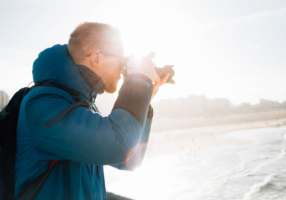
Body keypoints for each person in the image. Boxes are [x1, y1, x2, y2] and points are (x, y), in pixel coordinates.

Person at [14, 22, 170, 200]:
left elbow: (130, 159)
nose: (123, 70)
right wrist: (138, 81)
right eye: (121, 61)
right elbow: (119, 144)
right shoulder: (43, 104)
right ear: (97, 58)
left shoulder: (83, 104)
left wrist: (145, 97)